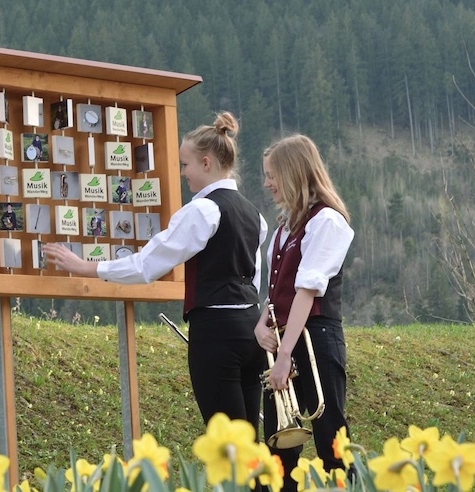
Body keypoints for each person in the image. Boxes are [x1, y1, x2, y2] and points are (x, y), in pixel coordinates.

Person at [45, 112, 268, 432]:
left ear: (206, 163)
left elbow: (147, 265)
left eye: (185, 164)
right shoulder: (254, 214)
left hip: (217, 331)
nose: (182, 173)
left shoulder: (203, 211)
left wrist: (86, 267)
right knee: (249, 441)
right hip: (251, 329)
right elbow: (253, 277)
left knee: (229, 444)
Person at [255, 134, 354, 490]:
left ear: (293, 172)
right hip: (284, 340)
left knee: (332, 443)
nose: (266, 183)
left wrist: (284, 357)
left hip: (316, 342)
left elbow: (307, 291)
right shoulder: (284, 226)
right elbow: (274, 290)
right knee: (278, 451)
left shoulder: (327, 221)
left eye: (271, 174)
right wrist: (260, 326)